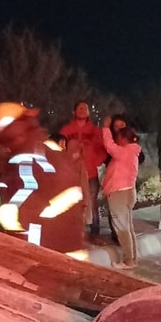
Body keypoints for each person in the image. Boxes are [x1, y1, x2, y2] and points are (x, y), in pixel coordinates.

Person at [0, 102, 86, 255]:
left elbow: (29, 196)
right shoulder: (39, 150)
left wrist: (14, 213)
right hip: (63, 244)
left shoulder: (27, 157)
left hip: (49, 247)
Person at [60, 101, 108, 237]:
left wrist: (96, 161)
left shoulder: (95, 131)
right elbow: (59, 147)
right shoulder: (66, 130)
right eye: (79, 108)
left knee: (92, 203)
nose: (82, 110)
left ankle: (95, 233)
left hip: (90, 173)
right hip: (72, 173)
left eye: (85, 108)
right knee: (73, 203)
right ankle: (74, 233)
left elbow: (103, 148)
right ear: (74, 111)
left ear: (88, 112)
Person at [102, 119, 143, 269]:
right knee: (128, 227)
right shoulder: (133, 152)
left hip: (119, 192)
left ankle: (128, 261)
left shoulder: (124, 151)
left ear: (124, 139)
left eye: (118, 138)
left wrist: (106, 128)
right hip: (128, 191)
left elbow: (109, 145)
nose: (116, 140)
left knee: (122, 228)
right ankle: (133, 257)